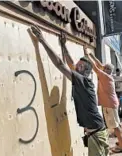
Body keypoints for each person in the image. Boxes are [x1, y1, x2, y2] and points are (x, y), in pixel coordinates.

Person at [28, 25, 109, 156]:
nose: (75, 65)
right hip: (97, 132)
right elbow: (71, 64)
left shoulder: (82, 81)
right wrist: (63, 46)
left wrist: (41, 40)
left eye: (79, 65)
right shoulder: (84, 81)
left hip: (96, 135)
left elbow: (61, 64)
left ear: (83, 69)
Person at [85, 49, 122, 153]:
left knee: (115, 127)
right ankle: (121, 142)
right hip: (111, 103)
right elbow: (99, 65)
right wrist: (91, 54)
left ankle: (121, 145)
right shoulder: (107, 74)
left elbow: (96, 68)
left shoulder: (105, 76)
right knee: (116, 125)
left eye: (106, 68)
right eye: (104, 68)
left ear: (108, 70)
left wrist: (87, 56)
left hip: (109, 104)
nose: (104, 68)